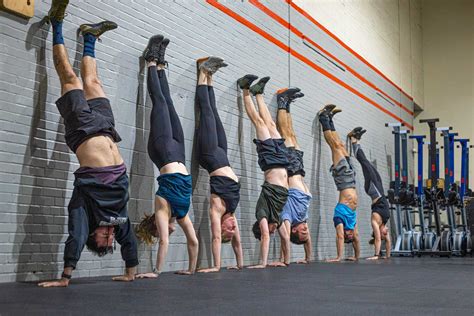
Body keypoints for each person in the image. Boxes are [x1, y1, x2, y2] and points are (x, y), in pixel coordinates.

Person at [38, 0, 138, 287]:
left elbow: (76, 237)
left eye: (103, 239)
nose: (108, 236)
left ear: (95, 235)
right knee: (93, 82)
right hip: (106, 129)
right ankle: (90, 37)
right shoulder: (118, 222)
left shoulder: (85, 212)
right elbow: (129, 242)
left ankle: (56, 23)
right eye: (110, 241)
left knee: (70, 78)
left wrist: (65, 277)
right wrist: (131, 272)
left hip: (82, 131)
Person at [134, 35, 198, 278]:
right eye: (169, 231)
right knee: (169, 104)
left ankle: (151, 61)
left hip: (162, 152)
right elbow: (193, 241)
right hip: (179, 154)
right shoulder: (181, 214)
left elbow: (163, 243)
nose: (170, 233)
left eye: (165, 231)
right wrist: (191, 270)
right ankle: (161, 65)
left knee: (159, 103)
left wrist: (156, 271)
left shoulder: (162, 208)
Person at [194, 57, 243, 272]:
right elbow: (238, 243)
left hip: (210, 156)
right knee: (214, 113)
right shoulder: (231, 212)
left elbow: (215, 237)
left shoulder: (218, 209)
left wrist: (217, 266)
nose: (232, 228)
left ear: (222, 226)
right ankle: (210, 76)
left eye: (228, 230)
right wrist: (240, 264)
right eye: (233, 230)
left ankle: (202, 72)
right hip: (222, 156)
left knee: (206, 113)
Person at [237, 75, 290, 268]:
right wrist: (285, 261)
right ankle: (258, 93)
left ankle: (244, 90)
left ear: (262, 227)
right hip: (282, 162)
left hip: (269, 163)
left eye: (269, 230)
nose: (273, 231)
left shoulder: (262, 214)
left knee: (259, 123)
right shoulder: (277, 219)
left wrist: (263, 263)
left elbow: (266, 236)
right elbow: (285, 238)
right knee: (271, 125)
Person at [318, 104, 360, 262]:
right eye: (351, 235)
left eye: (349, 235)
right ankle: (330, 119)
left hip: (343, 180)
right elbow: (356, 237)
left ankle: (323, 117)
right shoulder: (353, 223)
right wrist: (356, 256)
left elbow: (340, 236)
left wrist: (339, 257)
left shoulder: (340, 220)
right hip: (352, 180)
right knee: (341, 146)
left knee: (334, 147)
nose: (350, 234)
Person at [276, 88, 312, 264]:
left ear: (294, 231)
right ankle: (288, 104)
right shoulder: (303, 218)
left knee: (285, 134)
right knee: (293, 135)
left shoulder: (288, 217)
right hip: (299, 170)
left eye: (303, 232)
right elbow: (308, 240)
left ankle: (281, 101)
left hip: (291, 170)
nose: (306, 229)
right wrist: (308, 258)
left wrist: (285, 260)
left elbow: (284, 237)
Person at [348, 127, 391, 259]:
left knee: (365, 163)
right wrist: (387, 256)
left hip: (373, 189)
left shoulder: (375, 223)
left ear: (379, 233)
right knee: (370, 165)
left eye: (385, 233)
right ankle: (357, 140)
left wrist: (376, 255)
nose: (387, 232)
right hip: (379, 190)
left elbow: (378, 239)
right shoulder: (384, 223)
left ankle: (354, 140)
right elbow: (388, 241)